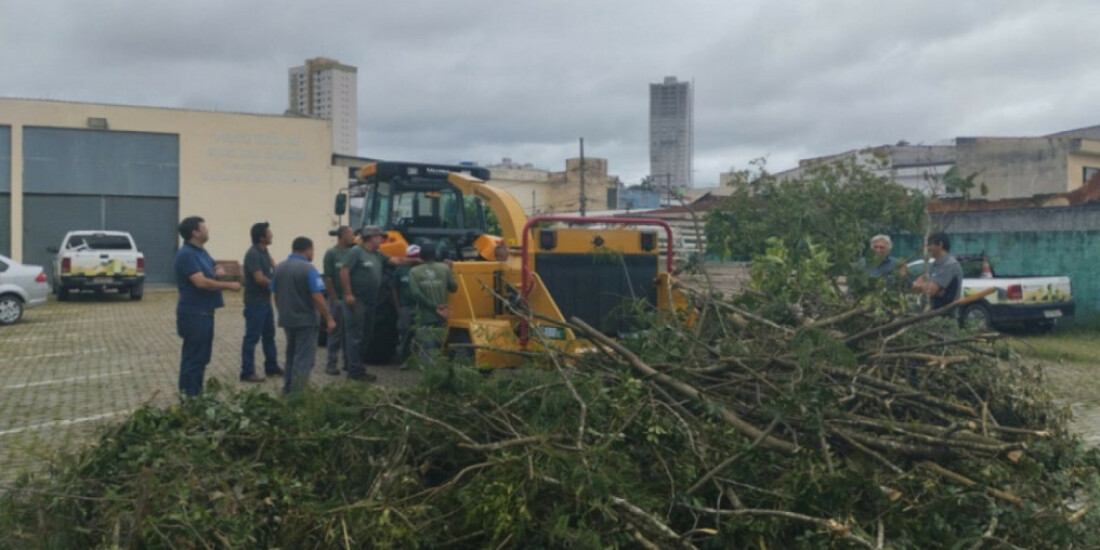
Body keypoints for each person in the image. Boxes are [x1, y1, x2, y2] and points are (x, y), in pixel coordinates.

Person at [339, 226, 419, 381]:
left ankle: (357, 366)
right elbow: (344, 271)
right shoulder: (356, 252)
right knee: (355, 336)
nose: (382, 240)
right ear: (370, 237)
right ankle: (354, 370)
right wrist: (348, 294)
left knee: (366, 336)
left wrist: (414, 261)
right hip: (357, 301)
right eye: (379, 237)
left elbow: (396, 260)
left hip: (370, 302)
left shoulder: (377, 255)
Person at [174, 216, 241, 397]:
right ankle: (189, 399)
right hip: (194, 314)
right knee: (193, 359)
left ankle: (197, 395)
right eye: (204, 227)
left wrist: (218, 268)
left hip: (205, 314)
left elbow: (213, 263)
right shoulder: (187, 254)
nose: (207, 230)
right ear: (195, 233)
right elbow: (200, 282)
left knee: (202, 358)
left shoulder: (201, 251)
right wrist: (229, 286)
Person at [271, 237, 336, 396]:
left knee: (291, 356)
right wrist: (329, 317)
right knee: (304, 358)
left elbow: (276, 294)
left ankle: (287, 388)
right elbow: (317, 296)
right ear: (307, 249)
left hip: (287, 320)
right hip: (305, 321)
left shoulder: (279, 268)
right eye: (312, 250)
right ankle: (297, 394)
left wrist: (282, 313)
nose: (313, 254)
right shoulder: (309, 269)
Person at [240, 222, 282, 383]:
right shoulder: (253, 254)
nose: (271, 235)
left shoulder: (265, 251)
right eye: (269, 232)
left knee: (269, 336)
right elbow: (259, 279)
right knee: (252, 337)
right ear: (261, 237)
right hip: (255, 303)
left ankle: (271, 367)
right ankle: (247, 372)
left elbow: (275, 267)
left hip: (265, 302)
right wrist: (276, 286)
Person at [407, 242, 458, 362]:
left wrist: (433, 307)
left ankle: (429, 372)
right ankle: (438, 370)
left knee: (427, 346)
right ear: (435, 254)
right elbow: (454, 288)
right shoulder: (444, 268)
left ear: (420, 256)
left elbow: (416, 294)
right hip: (442, 314)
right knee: (439, 344)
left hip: (425, 315)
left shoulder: (414, 271)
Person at [322, 225, 355, 375]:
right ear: (341, 236)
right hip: (337, 299)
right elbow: (328, 277)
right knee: (335, 331)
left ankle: (348, 363)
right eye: (350, 234)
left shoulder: (353, 252)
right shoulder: (331, 254)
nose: (353, 237)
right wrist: (334, 297)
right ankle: (331, 364)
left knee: (350, 332)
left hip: (350, 299)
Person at [913, 231, 964, 311]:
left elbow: (931, 290)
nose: (929, 248)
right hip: (933, 312)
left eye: (930, 245)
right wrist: (937, 291)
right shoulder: (934, 265)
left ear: (940, 245)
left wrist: (921, 286)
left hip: (946, 315)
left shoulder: (949, 264)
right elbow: (922, 282)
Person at [395, 243, 422, 362]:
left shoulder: (423, 269)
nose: (416, 259)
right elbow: (394, 288)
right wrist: (398, 307)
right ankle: (404, 359)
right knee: (405, 332)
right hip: (406, 307)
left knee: (421, 334)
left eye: (418, 256)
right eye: (413, 256)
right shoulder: (400, 270)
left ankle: (418, 360)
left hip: (421, 307)